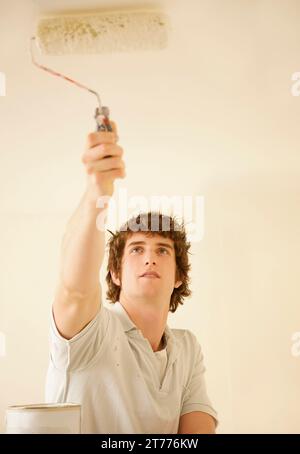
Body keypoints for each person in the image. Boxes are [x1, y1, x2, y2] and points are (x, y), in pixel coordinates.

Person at [45, 121, 218, 434]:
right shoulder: (92, 331)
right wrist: (98, 192)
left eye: (163, 250)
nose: (150, 257)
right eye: (137, 249)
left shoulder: (187, 348)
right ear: (115, 272)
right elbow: (74, 290)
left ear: (179, 276)